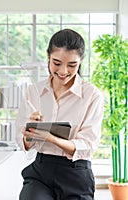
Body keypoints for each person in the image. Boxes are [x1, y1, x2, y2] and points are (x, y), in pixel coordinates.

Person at [15, 29, 104, 200]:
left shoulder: (92, 95)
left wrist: (51, 138)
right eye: (56, 63)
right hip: (41, 171)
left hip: (76, 174)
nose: (63, 71)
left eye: (72, 65)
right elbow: (23, 143)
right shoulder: (34, 91)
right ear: (48, 57)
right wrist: (30, 133)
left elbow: (88, 144)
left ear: (80, 62)